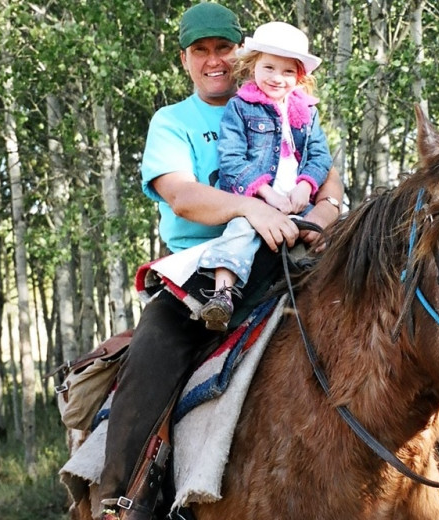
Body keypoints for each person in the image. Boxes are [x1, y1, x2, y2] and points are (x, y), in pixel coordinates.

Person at [98, 4, 344, 519]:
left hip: (290, 257)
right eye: (201, 51)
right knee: (151, 357)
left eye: (223, 49)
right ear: (185, 59)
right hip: (203, 270)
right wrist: (251, 209)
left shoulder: (283, 101)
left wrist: (321, 213)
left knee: (387, 321)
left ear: (242, 55)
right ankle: (122, 500)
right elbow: (182, 195)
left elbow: (328, 175)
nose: (214, 61)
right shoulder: (173, 121)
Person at [197, 21, 333, 331]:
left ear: (299, 76)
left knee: (335, 236)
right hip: (258, 199)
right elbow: (231, 159)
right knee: (240, 232)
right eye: (269, 67)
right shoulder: (241, 108)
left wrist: (305, 186)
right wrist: (266, 195)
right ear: (252, 65)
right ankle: (222, 294)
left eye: (287, 72)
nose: (277, 78)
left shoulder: (307, 112)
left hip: (297, 202)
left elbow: (319, 155)